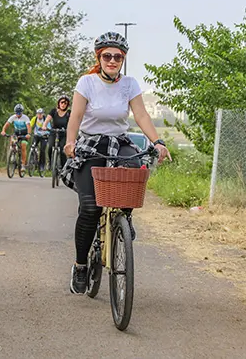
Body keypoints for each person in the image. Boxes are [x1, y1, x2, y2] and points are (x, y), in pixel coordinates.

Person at [61, 32, 171, 295]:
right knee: (89, 208)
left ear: (123, 59)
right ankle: (80, 265)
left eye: (118, 56)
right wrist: (70, 142)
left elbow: (141, 115)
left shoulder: (129, 84)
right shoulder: (86, 82)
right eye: (107, 56)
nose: (112, 60)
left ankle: (125, 214)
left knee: (133, 171)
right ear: (99, 57)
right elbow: (75, 116)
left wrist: (157, 142)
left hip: (118, 141)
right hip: (91, 144)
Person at [42, 94, 70, 171]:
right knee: (50, 146)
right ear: (58, 103)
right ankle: (50, 163)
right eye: (62, 102)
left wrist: (70, 130)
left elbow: (72, 123)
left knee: (62, 150)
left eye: (65, 103)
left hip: (63, 133)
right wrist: (44, 126)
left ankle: (64, 167)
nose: (63, 104)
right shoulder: (53, 111)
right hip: (53, 132)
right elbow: (47, 119)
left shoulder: (69, 113)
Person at [1, 104, 31, 171]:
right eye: (16, 113)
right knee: (12, 139)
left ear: (22, 112)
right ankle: (12, 152)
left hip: (24, 134)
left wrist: (28, 134)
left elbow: (29, 126)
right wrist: (3, 131)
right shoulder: (13, 117)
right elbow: (6, 125)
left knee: (23, 146)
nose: (18, 114)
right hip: (16, 133)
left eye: (19, 113)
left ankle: (23, 165)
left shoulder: (25, 118)